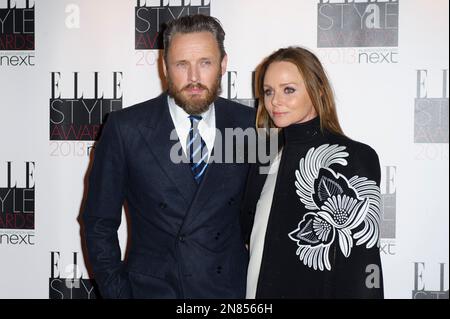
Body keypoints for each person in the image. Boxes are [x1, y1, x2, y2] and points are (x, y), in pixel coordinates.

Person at [82, 14, 255, 299]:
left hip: (228, 292)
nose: (194, 78)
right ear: (164, 67)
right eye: (181, 64)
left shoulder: (250, 125)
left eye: (205, 63)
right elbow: (98, 221)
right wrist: (119, 293)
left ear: (223, 64)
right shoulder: (126, 128)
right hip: (152, 291)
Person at [241, 47, 384, 298]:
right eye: (268, 91)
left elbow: (363, 260)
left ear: (318, 89)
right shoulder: (264, 158)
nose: (275, 101)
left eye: (289, 90)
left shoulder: (354, 158)